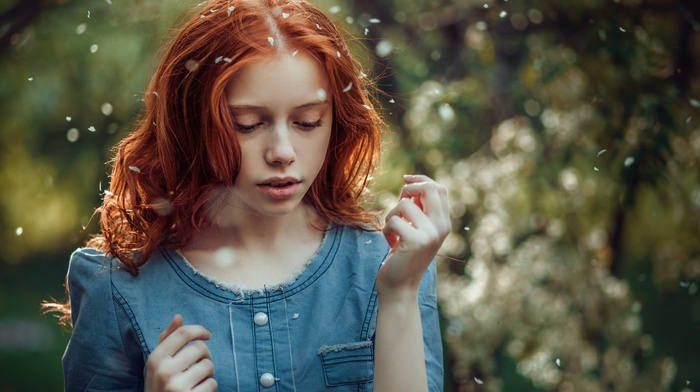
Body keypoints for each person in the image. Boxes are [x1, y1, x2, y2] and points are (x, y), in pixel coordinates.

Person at [45, 0, 450, 390]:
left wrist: (397, 297)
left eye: (307, 122)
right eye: (248, 124)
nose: (282, 152)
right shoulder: (116, 288)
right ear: (193, 122)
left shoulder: (390, 267)